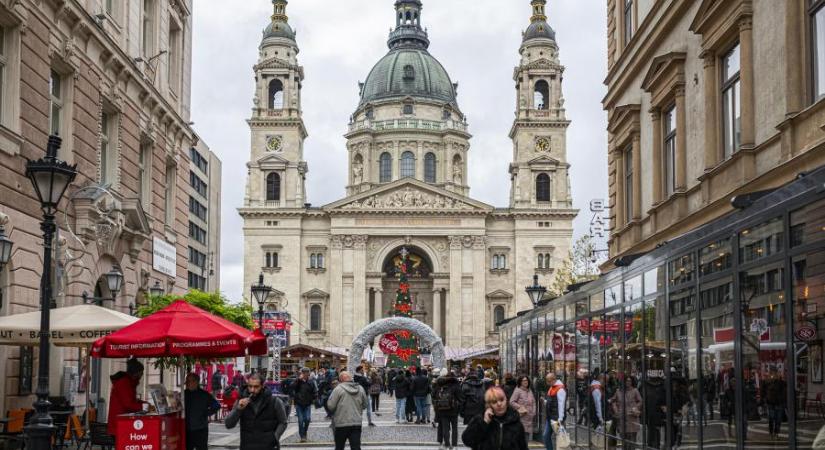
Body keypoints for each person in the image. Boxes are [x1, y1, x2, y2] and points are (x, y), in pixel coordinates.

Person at [225, 373, 287, 450]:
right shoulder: (241, 401)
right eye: (250, 386)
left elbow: (283, 422)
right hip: (247, 445)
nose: (252, 390)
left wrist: (275, 437)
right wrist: (238, 409)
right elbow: (228, 424)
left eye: (256, 387)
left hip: (268, 446)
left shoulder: (275, 401)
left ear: (262, 386)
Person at [461, 386, 528, 450]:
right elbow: (467, 441)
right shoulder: (479, 420)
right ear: (488, 405)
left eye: (501, 400)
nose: (499, 404)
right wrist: (484, 423)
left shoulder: (515, 422)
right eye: (494, 402)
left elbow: (523, 447)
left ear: (506, 400)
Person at [326, 371, 368, 450]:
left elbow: (331, 406)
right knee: (356, 447)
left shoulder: (338, 389)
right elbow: (365, 405)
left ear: (341, 379)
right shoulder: (360, 388)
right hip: (356, 422)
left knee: (339, 447)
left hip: (341, 423)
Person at [106, 358, 148, 435]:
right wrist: (144, 407)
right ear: (136, 373)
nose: (142, 374)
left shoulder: (129, 382)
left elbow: (130, 400)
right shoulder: (124, 383)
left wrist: (143, 403)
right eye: (141, 372)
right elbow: (128, 404)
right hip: (119, 424)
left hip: (122, 421)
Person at [184, 373, 220, 450]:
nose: (190, 383)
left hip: (201, 429)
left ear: (197, 382)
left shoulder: (204, 395)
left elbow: (216, 405)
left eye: (192, 381)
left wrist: (207, 413)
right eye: (188, 381)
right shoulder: (184, 394)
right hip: (186, 429)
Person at [610, 376, 643, 450]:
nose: (628, 383)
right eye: (626, 381)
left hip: (632, 417)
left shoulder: (635, 391)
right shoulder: (619, 391)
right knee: (624, 438)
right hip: (622, 417)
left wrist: (636, 408)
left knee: (632, 438)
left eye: (629, 381)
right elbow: (613, 400)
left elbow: (640, 401)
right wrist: (616, 410)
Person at [433, 369, 463, 449]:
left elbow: (434, 396)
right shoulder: (456, 385)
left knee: (445, 428)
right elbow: (461, 398)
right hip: (454, 410)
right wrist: (459, 408)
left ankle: (446, 444)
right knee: (454, 428)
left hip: (443, 409)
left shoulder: (441, 385)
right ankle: (454, 445)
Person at [291, 367, 317, 443]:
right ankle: (302, 436)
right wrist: (298, 380)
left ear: (308, 374)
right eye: (304, 373)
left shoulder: (311, 381)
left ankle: (305, 432)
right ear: (302, 373)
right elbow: (292, 387)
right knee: (300, 420)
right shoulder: (298, 381)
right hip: (299, 404)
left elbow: (314, 391)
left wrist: (315, 399)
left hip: (307, 404)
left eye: (307, 373)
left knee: (307, 419)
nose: (305, 374)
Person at [509, 376, 536, 444]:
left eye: (526, 380)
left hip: (529, 418)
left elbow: (533, 402)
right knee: (522, 438)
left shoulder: (529, 390)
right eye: (523, 380)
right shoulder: (517, 390)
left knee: (526, 438)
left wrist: (533, 412)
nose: (525, 382)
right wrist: (520, 407)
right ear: (520, 382)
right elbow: (511, 402)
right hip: (521, 417)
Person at [762, 367, 787, 439]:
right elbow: (763, 390)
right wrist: (765, 399)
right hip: (771, 403)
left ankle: (776, 433)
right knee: (771, 418)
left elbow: (785, 391)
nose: (774, 375)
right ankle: (771, 432)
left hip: (779, 403)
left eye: (775, 373)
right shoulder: (767, 382)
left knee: (778, 419)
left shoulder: (781, 382)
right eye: (772, 373)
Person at [543, 372, 566, 450]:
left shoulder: (560, 389)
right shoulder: (552, 387)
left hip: (556, 418)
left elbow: (561, 404)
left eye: (548, 381)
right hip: (551, 417)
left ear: (553, 379)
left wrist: (560, 418)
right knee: (546, 436)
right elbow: (553, 401)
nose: (547, 383)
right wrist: (545, 401)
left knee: (560, 438)